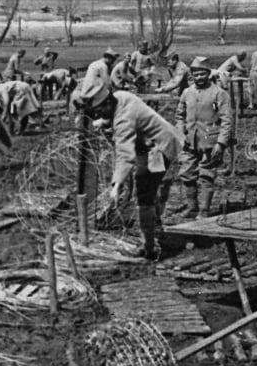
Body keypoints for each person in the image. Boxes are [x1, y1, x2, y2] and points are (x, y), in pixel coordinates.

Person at [92, 83, 183, 260]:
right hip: (161, 141)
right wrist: (104, 120)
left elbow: (125, 156)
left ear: (109, 102)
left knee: (143, 196)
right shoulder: (121, 96)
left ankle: (149, 247)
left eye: (101, 110)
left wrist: (116, 185)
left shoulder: (123, 121)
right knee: (148, 190)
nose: (99, 114)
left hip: (158, 150)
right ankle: (156, 230)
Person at [175, 57, 232, 219]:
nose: (199, 78)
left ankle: (204, 210)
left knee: (206, 175)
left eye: (202, 74)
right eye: (196, 75)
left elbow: (227, 120)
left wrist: (221, 143)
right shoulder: (187, 93)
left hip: (209, 142)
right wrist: (181, 132)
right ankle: (192, 207)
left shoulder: (219, 94)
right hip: (189, 141)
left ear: (208, 74)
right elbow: (179, 115)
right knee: (186, 173)